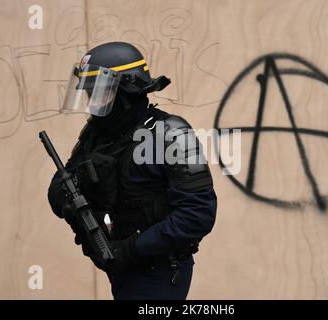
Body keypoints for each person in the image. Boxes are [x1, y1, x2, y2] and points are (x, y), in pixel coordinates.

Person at [47, 42, 217, 300]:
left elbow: (198, 214)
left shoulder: (171, 133)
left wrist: (130, 250)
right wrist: (79, 192)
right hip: (118, 267)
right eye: (89, 94)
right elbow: (59, 188)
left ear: (127, 90)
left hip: (159, 270)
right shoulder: (97, 135)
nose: (93, 103)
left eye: (99, 93)